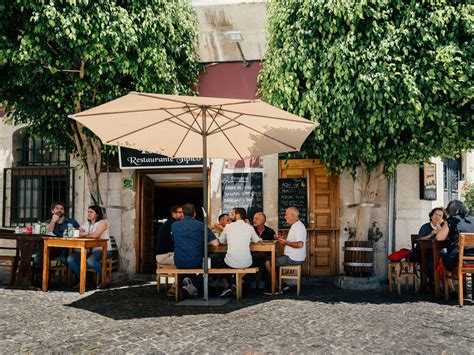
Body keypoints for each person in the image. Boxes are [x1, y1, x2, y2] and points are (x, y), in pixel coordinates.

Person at [172, 203, 219, 297]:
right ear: (194, 214)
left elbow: (175, 239)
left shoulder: (174, 225)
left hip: (178, 261)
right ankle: (192, 282)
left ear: (182, 214)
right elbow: (216, 243)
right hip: (195, 261)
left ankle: (187, 282)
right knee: (213, 264)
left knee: (187, 263)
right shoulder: (201, 225)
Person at [218, 207, 262, 297]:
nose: (230, 216)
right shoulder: (249, 227)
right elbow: (257, 240)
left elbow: (221, 241)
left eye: (232, 214)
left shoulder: (228, 226)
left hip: (230, 263)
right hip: (247, 263)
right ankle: (239, 284)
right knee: (257, 259)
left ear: (237, 215)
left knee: (218, 261)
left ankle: (228, 286)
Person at [264, 207, 306, 295]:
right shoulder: (297, 225)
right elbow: (293, 242)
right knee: (275, 261)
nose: (285, 217)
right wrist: (283, 240)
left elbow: (300, 244)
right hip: (295, 257)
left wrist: (286, 242)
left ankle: (275, 287)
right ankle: (282, 284)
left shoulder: (298, 227)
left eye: (286, 214)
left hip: (293, 258)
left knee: (268, 262)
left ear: (293, 215)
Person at [67, 205, 112, 289]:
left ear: (97, 214)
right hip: (90, 252)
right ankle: (84, 281)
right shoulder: (87, 223)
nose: (89, 214)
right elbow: (77, 233)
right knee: (71, 258)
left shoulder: (103, 222)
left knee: (90, 260)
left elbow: (95, 235)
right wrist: (85, 234)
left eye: (91, 212)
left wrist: (85, 234)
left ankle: (105, 279)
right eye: (88, 212)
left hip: (104, 250)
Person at [436, 200, 474, 296]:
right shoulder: (472, 219)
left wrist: (445, 224)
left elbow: (439, 238)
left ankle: (450, 291)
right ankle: (453, 290)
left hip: (458, 259)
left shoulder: (452, 220)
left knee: (443, 259)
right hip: (472, 259)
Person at [34, 202, 80, 268]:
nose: (59, 210)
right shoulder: (48, 222)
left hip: (66, 248)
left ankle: (73, 276)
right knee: (37, 259)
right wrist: (53, 221)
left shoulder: (72, 222)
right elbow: (47, 233)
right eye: (57, 208)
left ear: (64, 211)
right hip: (52, 248)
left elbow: (79, 233)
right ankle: (47, 276)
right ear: (52, 211)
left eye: (62, 209)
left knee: (64, 259)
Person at [410, 207, 447, 287]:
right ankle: (433, 282)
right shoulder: (425, 226)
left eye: (440, 215)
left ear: (443, 218)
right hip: (422, 251)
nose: (437, 217)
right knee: (431, 260)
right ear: (431, 216)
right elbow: (419, 239)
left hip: (437, 250)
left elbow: (444, 238)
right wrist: (431, 234)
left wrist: (439, 226)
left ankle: (446, 284)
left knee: (447, 258)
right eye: (435, 214)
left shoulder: (444, 228)